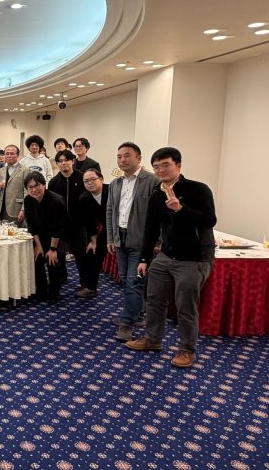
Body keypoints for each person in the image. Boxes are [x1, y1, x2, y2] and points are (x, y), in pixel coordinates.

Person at [126, 147, 216, 369]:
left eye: (166, 165)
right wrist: (144, 259)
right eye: (156, 167)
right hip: (166, 256)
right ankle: (152, 339)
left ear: (178, 165)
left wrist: (180, 209)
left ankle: (187, 349)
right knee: (154, 299)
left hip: (194, 259)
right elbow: (151, 228)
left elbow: (209, 220)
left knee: (186, 305)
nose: (161, 170)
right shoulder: (157, 194)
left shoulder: (198, 189)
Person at [106, 142, 158, 341]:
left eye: (127, 155)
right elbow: (110, 212)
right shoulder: (115, 183)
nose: (122, 160)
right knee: (127, 280)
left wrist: (157, 242)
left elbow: (160, 215)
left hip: (141, 241)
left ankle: (126, 324)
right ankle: (137, 314)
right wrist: (111, 237)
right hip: (120, 239)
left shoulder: (152, 181)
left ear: (139, 158)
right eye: (119, 156)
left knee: (133, 282)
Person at [47, 150, 91, 297]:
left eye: (66, 160)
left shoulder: (82, 178)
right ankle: (61, 276)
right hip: (61, 225)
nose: (63, 163)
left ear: (72, 161)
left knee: (81, 255)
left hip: (79, 224)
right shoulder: (53, 182)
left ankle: (86, 284)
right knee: (59, 254)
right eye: (60, 161)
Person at [23, 171, 71, 299]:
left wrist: (52, 249)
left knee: (52, 260)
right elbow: (31, 226)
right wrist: (38, 246)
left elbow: (58, 228)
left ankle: (55, 290)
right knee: (37, 258)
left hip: (59, 237)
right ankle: (41, 289)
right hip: (40, 236)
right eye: (30, 187)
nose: (34, 190)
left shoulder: (56, 200)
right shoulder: (28, 200)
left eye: (37, 185)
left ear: (44, 184)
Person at [79, 168, 108, 298]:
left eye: (92, 179)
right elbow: (89, 222)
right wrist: (93, 242)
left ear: (101, 179)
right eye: (86, 181)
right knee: (93, 252)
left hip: (122, 227)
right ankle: (91, 287)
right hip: (105, 229)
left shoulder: (111, 190)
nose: (89, 183)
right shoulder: (84, 198)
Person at [0, 145, 26, 224]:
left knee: (16, 231)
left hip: (16, 210)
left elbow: (27, 192)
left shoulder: (25, 170)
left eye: (12, 153)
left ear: (17, 155)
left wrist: (23, 210)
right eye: (7, 154)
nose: (9, 156)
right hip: (0, 210)